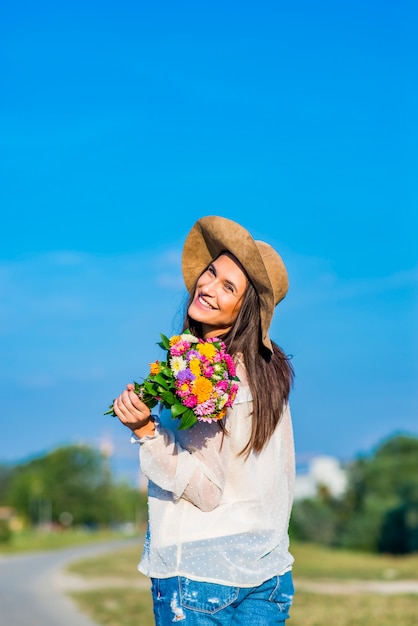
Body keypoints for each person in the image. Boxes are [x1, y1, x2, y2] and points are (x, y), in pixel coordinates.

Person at [113, 215, 296, 625]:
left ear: (244, 308)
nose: (207, 286)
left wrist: (146, 432)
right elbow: (281, 479)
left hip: (200, 572)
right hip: (268, 572)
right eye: (211, 273)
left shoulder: (205, 369)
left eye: (228, 287)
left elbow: (205, 489)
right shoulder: (268, 370)